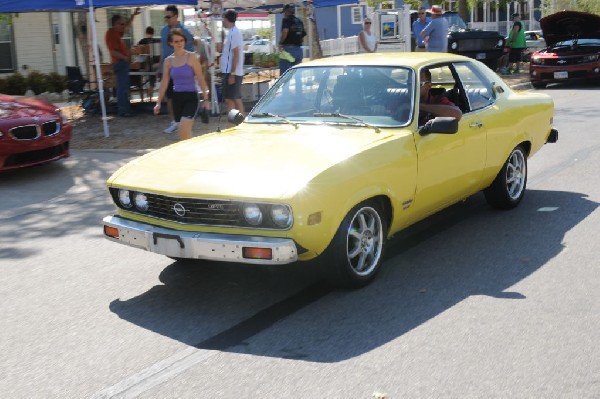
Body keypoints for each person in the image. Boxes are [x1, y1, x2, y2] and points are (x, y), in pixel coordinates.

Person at [153, 29, 210, 141]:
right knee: (183, 133)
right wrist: (158, 102)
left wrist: (206, 99)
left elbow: (200, 78)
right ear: (171, 43)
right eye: (176, 41)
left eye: (181, 40)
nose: (179, 43)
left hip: (191, 97)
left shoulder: (192, 57)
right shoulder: (168, 61)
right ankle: (189, 153)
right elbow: (164, 82)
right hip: (177, 98)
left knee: (184, 127)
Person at [160, 4, 195, 134]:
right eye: (165, 17)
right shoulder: (163, 31)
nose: (166, 19)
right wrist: (160, 69)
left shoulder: (185, 32)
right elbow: (163, 51)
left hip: (183, 70)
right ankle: (174, 122)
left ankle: (183, 122)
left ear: (176, 16)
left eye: (168, 16)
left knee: (182, 96)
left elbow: (191, 51)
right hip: (169, 69)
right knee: (170, 97)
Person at [105, 8, 140, 117]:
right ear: (115, 24)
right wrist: (124, 57)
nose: (123, 26)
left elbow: (127, 25)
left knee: (124, 87)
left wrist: (133, 15)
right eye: (121, 24)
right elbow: (113, 51)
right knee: (122, 87)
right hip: (120, 63)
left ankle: (126, 109)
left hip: (122, 63)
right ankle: (123, 110)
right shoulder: (111, 34)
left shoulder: (117, 32)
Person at [220, 9, 245, 115]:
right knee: (230, 99)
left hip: (232, 71)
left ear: (226, 19)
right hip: (229, 71)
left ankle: (241, 122)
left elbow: (236, 54)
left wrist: (232, 74)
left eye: (223, 19)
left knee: (235, 98)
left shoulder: (233, 33)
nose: (222, 21)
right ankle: (232, 123)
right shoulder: (231, 32)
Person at [278, 4, 306, 75]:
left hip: (288, 50)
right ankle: (298, 86)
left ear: (286, 11)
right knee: (297, 74)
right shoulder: (299, 21)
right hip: (298, 50)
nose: (284, 14)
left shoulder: (286, 20)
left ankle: (284, 87)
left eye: (284, 12)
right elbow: (303, 35)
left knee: (285, 74)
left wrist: (280, 43)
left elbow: (285, 31)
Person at [137, 26, 161, 101]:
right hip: (156, 62)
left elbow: (138, 52)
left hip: (146, 64)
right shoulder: (157, 40)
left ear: (146, 33)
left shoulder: (142, 41)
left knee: (149, 77)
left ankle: (149, 93)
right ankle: (151, 91)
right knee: (152, 77)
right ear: (153, 33)